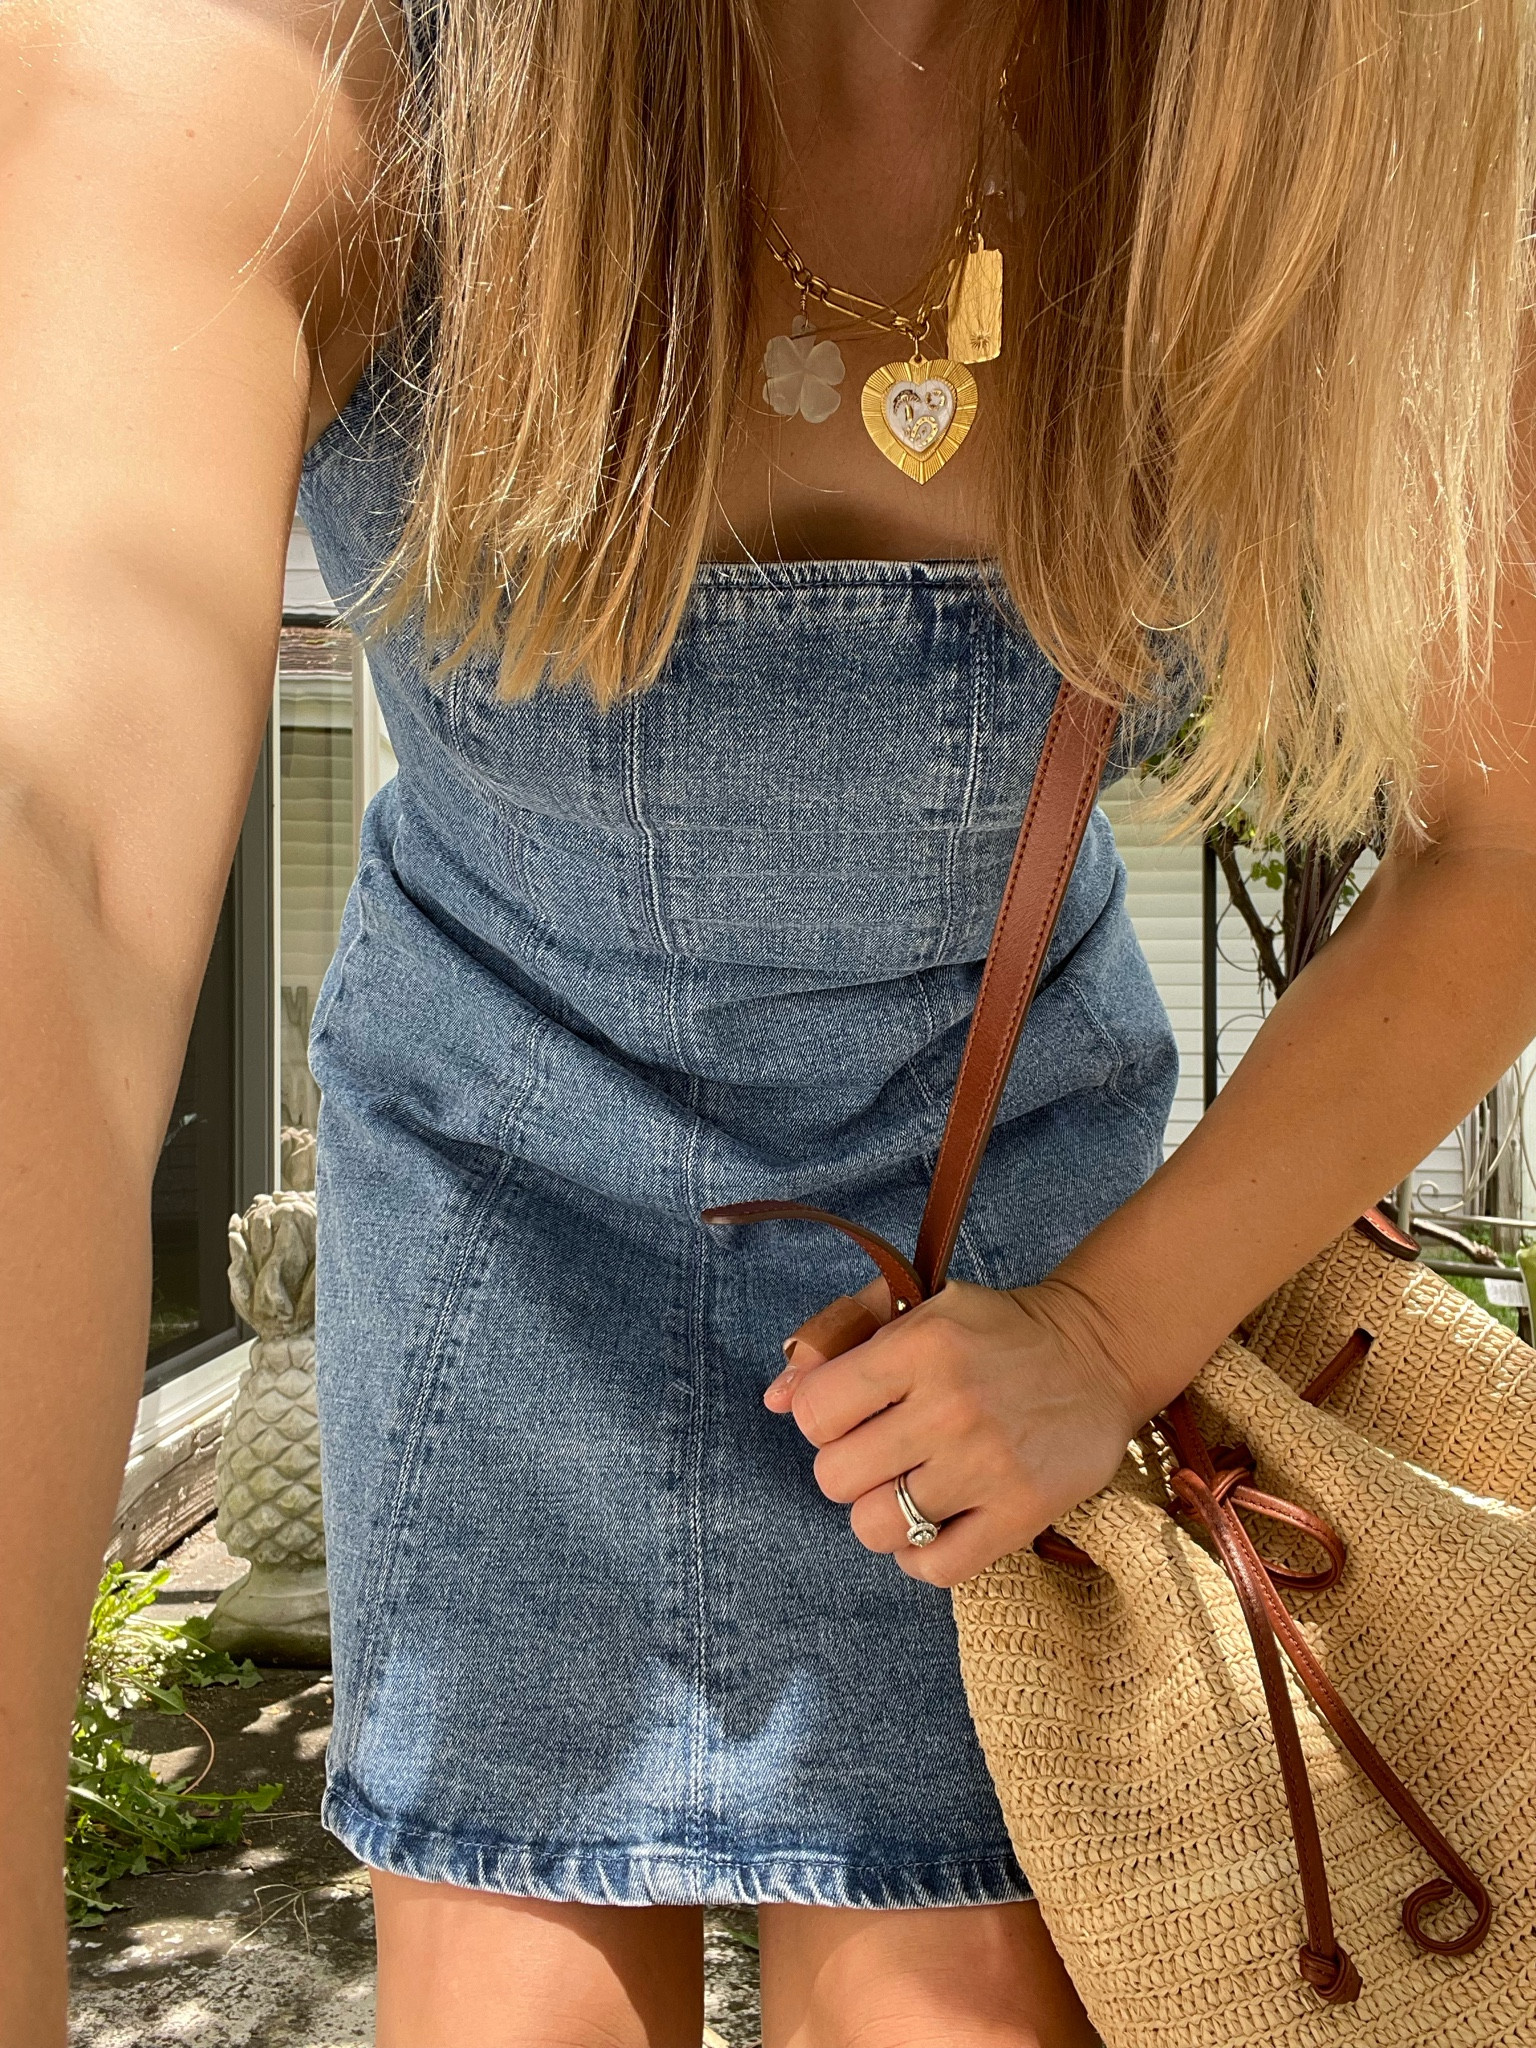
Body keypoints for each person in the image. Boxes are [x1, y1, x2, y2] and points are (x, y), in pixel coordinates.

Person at [4, 2, 1535, 2043]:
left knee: (949, 2004)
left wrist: (1104, 1333)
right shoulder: (303, 52)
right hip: (492, 1225)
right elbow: (58, 869)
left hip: (1010, 1239)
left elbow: (1506, 837)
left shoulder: (1331, 91)